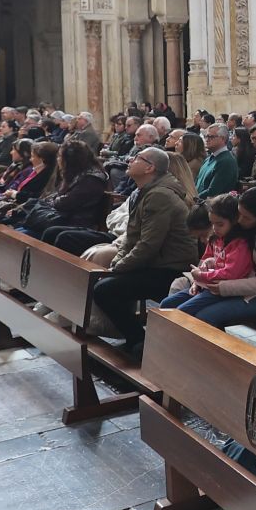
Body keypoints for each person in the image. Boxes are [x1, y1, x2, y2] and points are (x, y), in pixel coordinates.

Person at [91, 147, 200, 357]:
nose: (130, 160)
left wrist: (120, 267)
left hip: (171, 269)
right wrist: (118, 262)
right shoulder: (147, 191)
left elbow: (148, 245)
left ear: (150, 167)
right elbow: (132, 236)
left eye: (137, 158)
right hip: (156, 264)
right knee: (106, 281)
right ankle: (135, 340)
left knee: (105, 290)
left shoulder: (159, 195)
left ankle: (139, 342)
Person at [160, 187, 256, 331]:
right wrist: (200, 278)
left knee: (203, 317)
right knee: (169, 305)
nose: (239, 221)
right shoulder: (242, 230)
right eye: (239, 214)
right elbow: (219, 258)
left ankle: (201, 352)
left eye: (246, 217)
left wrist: (224, 288)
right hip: (233, 287)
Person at [195, 122, 241, 198]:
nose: (207, 139)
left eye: (211, 137)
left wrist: (193, 199)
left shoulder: (226, 161)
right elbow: (198, 182)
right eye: (206, 136)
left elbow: (214, 191)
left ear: (223, 138)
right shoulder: (209, 158)